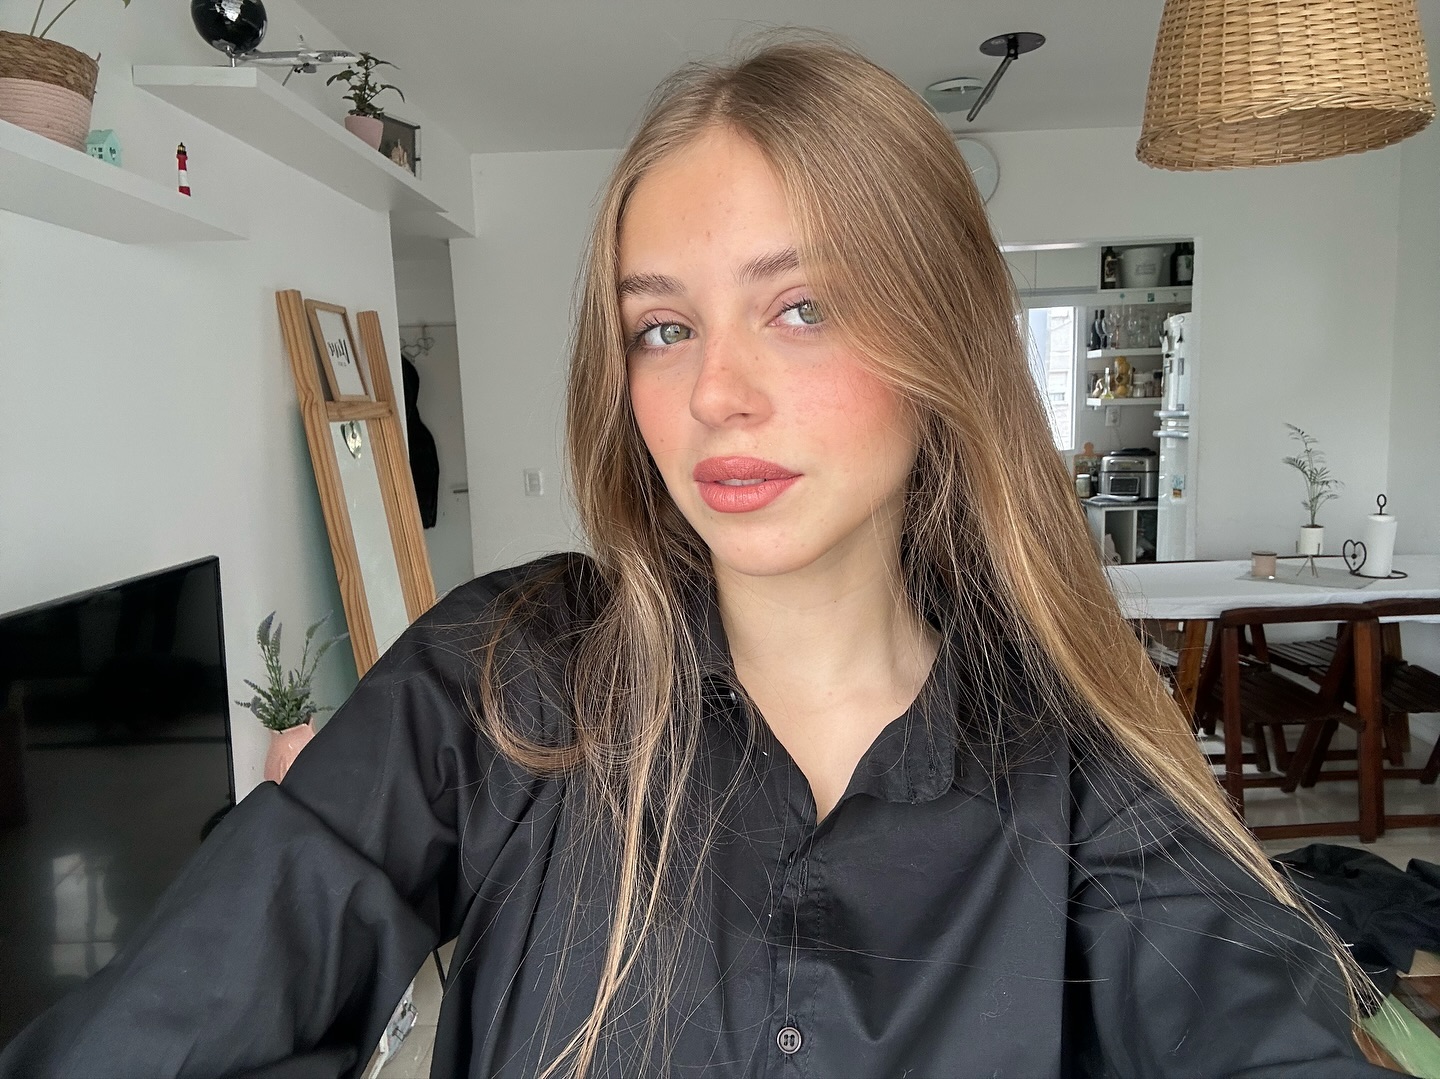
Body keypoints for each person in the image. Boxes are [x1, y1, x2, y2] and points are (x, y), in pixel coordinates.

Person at [0, 37, 1395, 1079]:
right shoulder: (501, 679)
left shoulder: (1079, 760)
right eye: (663, 328)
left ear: (945, 341)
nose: (717, 393)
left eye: (802, 308)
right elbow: (180, 1017)